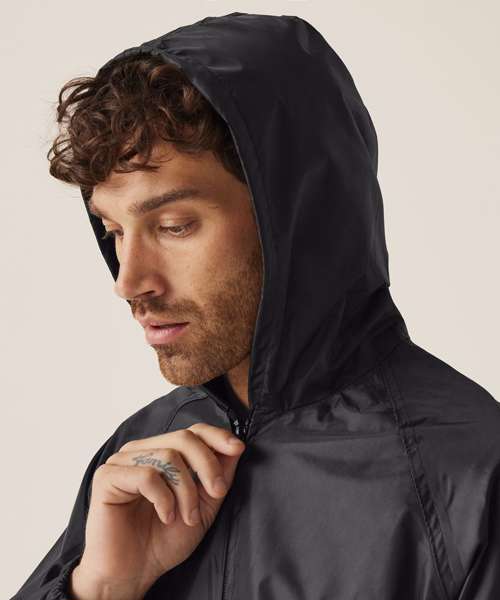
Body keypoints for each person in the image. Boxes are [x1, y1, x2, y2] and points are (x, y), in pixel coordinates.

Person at [11, 12, 499, 600]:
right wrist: (101, 588)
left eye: (173, 225)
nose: (129, 280)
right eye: (114, 231)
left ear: (295, 218)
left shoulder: (470, 479)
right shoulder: (140, 457)